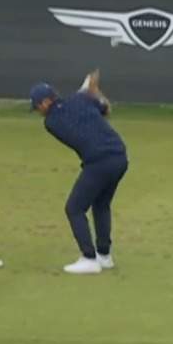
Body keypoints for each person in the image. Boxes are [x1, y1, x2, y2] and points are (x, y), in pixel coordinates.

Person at [30, 71, 129, 275]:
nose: (38, 110)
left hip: (99, 162)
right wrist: (93, 93)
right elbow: (105, 109)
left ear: (47, 101)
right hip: (119, 157)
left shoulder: (51, 122)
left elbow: (69, 112)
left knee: (74, 208)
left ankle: (89, 258)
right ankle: (104, 255)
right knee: (101, 205)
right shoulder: (81, 100)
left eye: (38, 105)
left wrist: (87, 93)